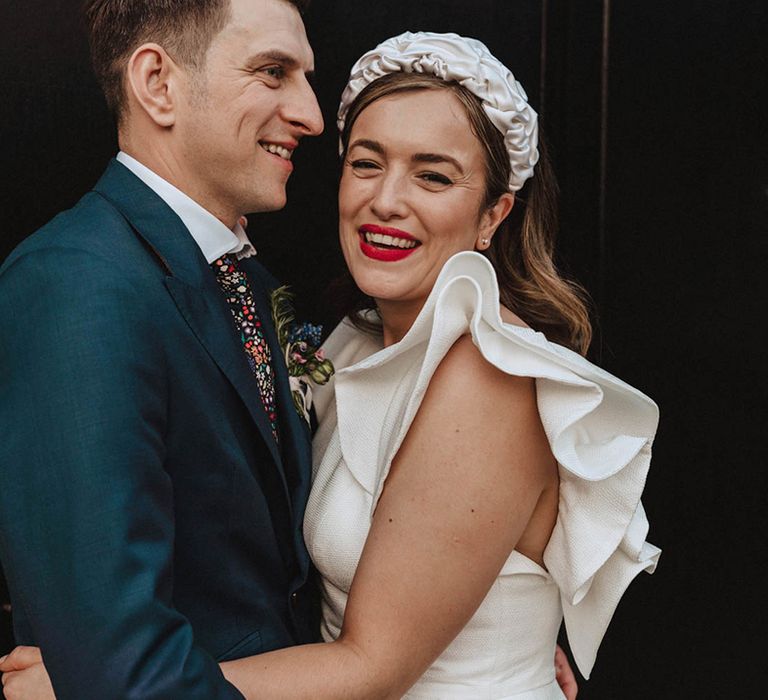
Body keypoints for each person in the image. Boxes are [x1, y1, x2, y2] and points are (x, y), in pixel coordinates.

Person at [2, 29, 655, 699]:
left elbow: (370, 666)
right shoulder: (349, 342)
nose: (387, 200)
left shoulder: (488, 378)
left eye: (433, 175)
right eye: (368, 163)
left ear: (493, 215)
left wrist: (92, 687)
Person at [0, 0, 325, 697]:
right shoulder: (77, 285)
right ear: (158, 83)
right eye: (273, 72)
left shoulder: (245, 279)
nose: (311, 114)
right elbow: (126, 673)